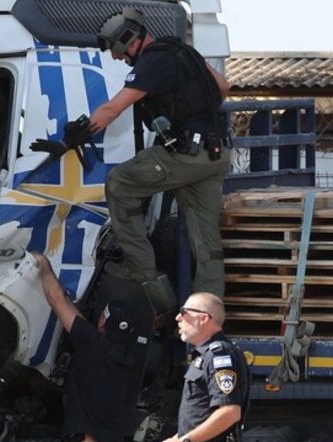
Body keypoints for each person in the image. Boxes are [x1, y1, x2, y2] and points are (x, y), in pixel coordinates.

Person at [90, 7, 232, 309]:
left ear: (130, 39)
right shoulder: (183, 52)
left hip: (185, 156)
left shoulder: (152, 61)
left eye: (117, 50)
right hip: (215, 153)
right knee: (206, 243)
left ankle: (147, 278)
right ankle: (209, 311)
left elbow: (113, 109)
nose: (117, 57)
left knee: (119, 183)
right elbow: (222, 87)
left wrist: (73, 136)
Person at [33, 252, 153, 442]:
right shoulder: (128, 357)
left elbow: (57, 300)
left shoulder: (93, 346)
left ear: (103, 321)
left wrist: (44, 265)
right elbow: (79, 323)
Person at [161, 293, 249, 442]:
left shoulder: (220, 355)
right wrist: (180, 437)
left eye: (184, 312)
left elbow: (229, 412)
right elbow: (202, 412)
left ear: (203, 319)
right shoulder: (205, 355)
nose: (177, 318)